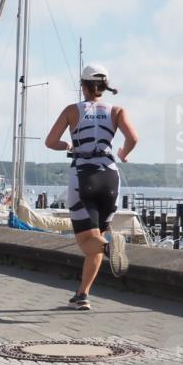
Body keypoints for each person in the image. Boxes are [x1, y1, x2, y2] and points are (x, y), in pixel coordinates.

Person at [45, 63, 138, 310]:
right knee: (96, 237)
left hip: (82, 176)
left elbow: (50, 141)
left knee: (87, 241)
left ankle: (110, 246)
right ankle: (82, 295)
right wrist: (124, 153)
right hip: (110, 176)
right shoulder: (117, 110)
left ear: (83, 85)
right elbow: (133, 138)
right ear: (104, 86)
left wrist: (66, 146)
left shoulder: (71, 110)